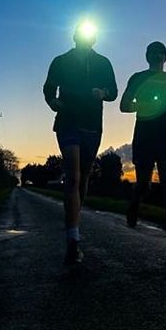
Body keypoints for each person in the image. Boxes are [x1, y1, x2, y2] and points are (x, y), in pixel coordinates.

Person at [43, 21, 117, 264]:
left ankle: (73, 217)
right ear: (74, 36)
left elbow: (114, 92)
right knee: (73, 176)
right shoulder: (60, 61)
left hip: (93, 125)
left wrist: (103, 93)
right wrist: (53, 102)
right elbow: (48, 89)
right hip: (68, 121)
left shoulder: (103, 63)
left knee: (83, 177)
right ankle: (72, 241)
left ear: (94, 38)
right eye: (80, 32)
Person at [120, 41, 166, 255]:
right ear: (147, 56)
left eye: (161, 52)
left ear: (165, 57)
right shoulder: (137, 77)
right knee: (144, 185)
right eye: (152, 51)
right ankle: (134, 203)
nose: (157, 54)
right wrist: (143, 106)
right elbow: (124, 105)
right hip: (144, 137)